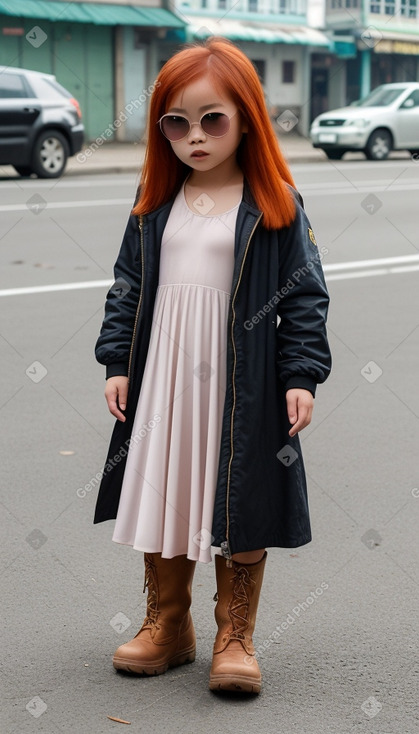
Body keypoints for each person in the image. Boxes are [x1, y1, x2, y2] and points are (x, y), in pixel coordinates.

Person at [93, 36, 332, 695]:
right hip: (164, 376)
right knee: (165, 493)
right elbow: (126, 285)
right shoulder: (155, 200)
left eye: (211, 119)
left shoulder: (275, 202)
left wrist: (299, 375)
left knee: (241, 498)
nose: (193, 136)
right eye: (176, 122)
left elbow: (305, 296)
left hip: (242, 384)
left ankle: (235, 636)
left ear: (247, 119)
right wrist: (117, 359)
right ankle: (168, 626)